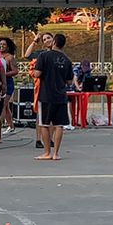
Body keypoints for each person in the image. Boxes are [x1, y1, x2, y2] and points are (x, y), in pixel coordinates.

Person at [32, 32, 73, 161]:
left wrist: (32, 71)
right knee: (59, 125)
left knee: (44, 124)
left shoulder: (44, 56)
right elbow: (70, 81)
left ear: (54, 42)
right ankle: (56, 153)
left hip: (46, 95)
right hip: (61, 95)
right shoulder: (67, 60)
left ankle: (47, 152)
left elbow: (38, 73)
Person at [0, 38, 18, 137]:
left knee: (3, 105)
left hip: (8, 83)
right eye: (0, 44)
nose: (1, 46)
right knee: (5, 106)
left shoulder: (10, 57)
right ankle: (11, 126)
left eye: (4, 44)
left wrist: (4, 74)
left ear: (8, 46)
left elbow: (15, 71)